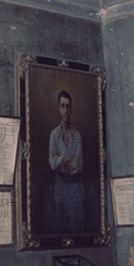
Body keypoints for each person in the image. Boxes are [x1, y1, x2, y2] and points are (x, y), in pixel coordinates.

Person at [48, 90, 84, 233]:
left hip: (74, 185)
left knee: (76, 222)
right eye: (62, 106)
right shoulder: (54, 135)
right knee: (60, 222)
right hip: (59, 184)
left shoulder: (77, 136)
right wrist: (65, 159)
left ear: (71, 109)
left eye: (68, 106)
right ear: (58, 108)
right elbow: (52, 162)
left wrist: (61, 163)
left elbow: (79, 164)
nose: (65, 110)